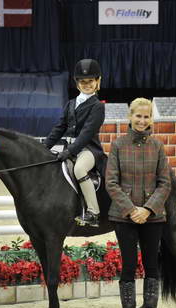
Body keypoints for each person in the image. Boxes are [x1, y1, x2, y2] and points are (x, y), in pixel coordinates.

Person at [105, 98, 171, 308]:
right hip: (125, 217)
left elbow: (165, 183)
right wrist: (132, 209)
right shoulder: (118, 145)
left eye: (146, 116)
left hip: (152, 217)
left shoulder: (158, 146)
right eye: (138, 116)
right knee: (129, 265)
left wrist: (148, 209)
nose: (142, 121)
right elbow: (111, 183)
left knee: (152, 265)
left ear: (151, 119)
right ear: (130, 117)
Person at [44, 59, 105, 227]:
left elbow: (86, 134)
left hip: (89, 150)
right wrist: (43, 148)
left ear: (97, 81)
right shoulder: (70, 104)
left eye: (90, 81)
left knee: (79, 169)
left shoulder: (98, 106)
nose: (86, 85)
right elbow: (59, 128)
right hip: (69, 149)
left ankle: (93, 212)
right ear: (77, 83)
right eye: (83, 81)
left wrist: (69, 151)